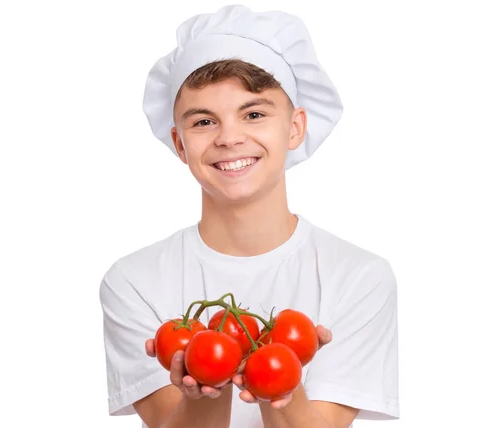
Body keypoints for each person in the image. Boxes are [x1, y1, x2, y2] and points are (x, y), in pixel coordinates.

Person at [99, 5, 399, 428]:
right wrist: (203, 387)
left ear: (295, 127)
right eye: (204, 121)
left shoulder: (359, 277)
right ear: (180, 144)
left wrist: (279, 385)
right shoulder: (133, 282)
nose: (229, 138)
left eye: (254, 114)